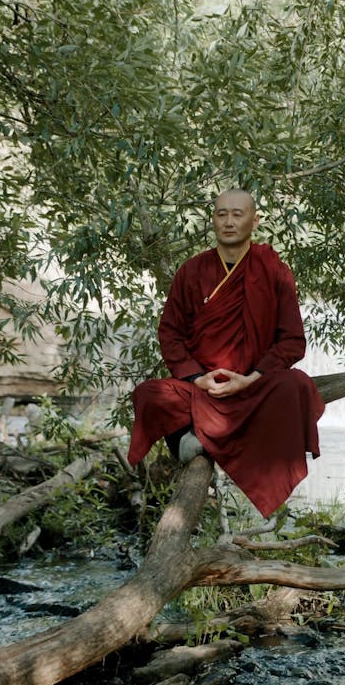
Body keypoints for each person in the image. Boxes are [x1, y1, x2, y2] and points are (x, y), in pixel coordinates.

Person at [127, 189, 325, 518]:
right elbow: (170, 333)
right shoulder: (192, 271)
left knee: (296, 385)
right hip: (200, 389)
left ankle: (203, 439)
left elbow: (292, 340)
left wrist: (251, 379)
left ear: (254, 220)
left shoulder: (273, 270)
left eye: (237, 214)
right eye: (221, 214)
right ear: (213, 220)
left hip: (252, 387)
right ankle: (207, 439)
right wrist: (197, 377)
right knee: (149, 394)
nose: (229, 222)